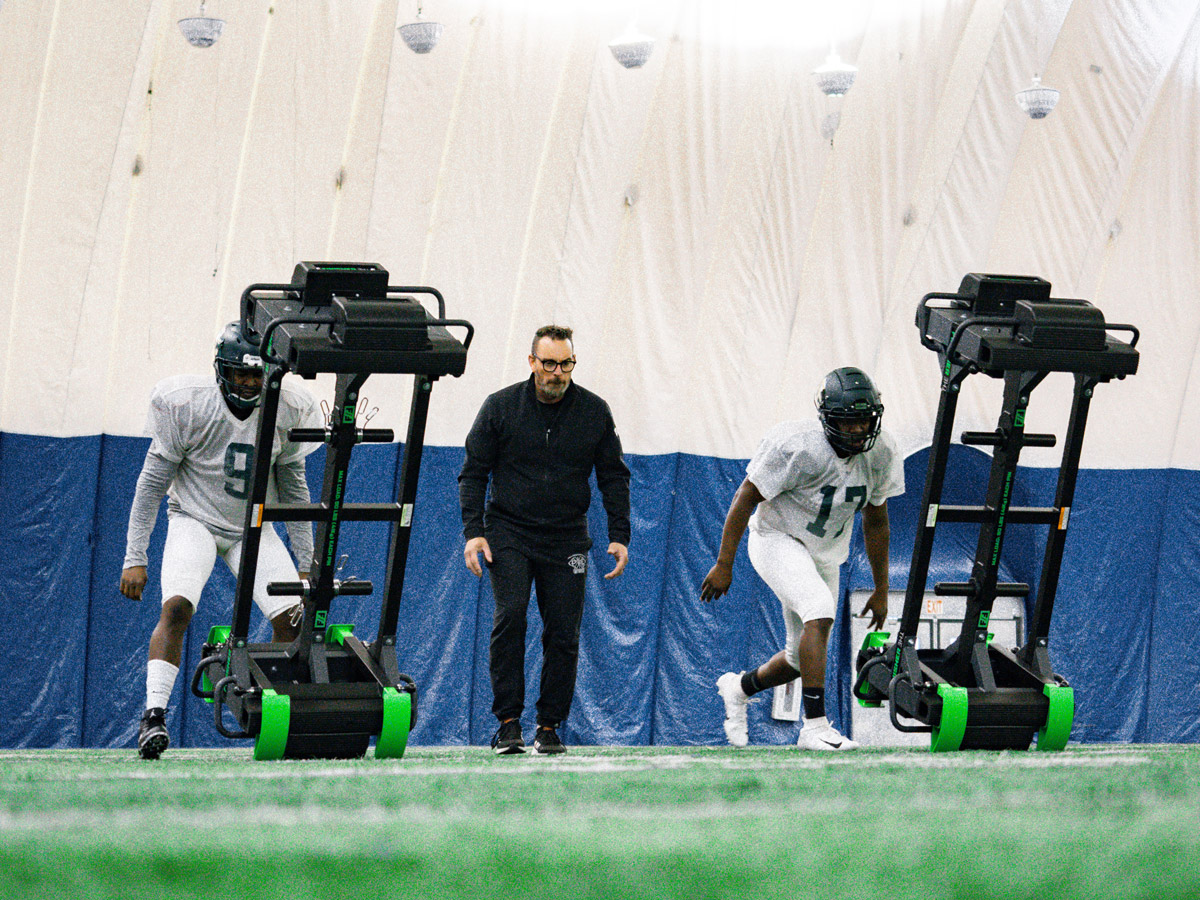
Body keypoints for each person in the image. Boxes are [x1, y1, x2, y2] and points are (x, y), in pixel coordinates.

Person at [119, 321, 323, 759]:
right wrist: (135, 555)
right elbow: (151, 484)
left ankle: (276, 710)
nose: (249, 383)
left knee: (291, 616)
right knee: (177, 607)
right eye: (241, 374)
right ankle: (153, 716)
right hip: (194, 518)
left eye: (256, 374)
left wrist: (307, 561)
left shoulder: (286, 408)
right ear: (221, 371)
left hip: (253, 527)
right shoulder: (189, 405)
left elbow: (295, 491)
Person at [700, 366, 903, 751]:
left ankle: (738, 689)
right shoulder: (796, 445)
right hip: (777, 537)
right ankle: (815, 727)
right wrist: (724, 563)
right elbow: (745, 496)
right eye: (849, 420)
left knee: (798, 658)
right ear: (828, 417)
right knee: (819, 608)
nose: (859, 430)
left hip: (824, 551)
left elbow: (877, 522)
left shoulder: (883, 451)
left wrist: (880, 587)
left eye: (865, 420)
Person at [460, 325, 631, 756]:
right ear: (532, 362)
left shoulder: (594, 411)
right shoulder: (500, 407)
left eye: (566, 364)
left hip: (567, 537)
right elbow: (474, 473)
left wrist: (619, 535)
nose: (558, 373)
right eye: (550, 364)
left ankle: (549, 726)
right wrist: (474, 533)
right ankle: (508, 723)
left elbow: (613, 475)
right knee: (511, 615)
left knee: (563, 632)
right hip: (509, 531)